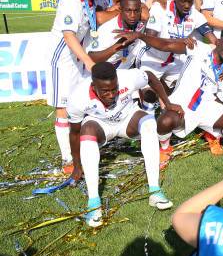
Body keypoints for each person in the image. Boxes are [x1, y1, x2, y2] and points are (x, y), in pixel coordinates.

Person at [67, 62, 183, 227]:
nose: (111, 94)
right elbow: (74, 133)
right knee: (86, 131)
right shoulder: (78, 96)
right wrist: (77, 166)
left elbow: (149, 76)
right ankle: (94, 204)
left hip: (128, 119)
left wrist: (168, 103)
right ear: (94, 86)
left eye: (114, 89)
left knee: (149, 122)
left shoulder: (128, 77)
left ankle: (155, 191)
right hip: (101, 125)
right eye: (105, 91)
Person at [131, 28, 223, 156]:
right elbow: (165, 45)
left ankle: (212, 133)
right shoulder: (199, 48)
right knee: (165, 122)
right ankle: (165, 149)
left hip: (206, 107)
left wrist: (217, 118)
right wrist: (139, 35)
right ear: (218, 41)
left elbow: (221, 99)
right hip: (182, 102)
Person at [47, 0, 109, 176]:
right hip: (63, 58)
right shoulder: (71, 1)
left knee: (80, 103)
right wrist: (90, 63)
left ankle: (83, 145)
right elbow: (69, 36)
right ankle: (67, 158)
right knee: (63, 107)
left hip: (80, 57)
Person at [137, 0, 214, 101]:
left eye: (190, 1)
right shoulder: (160, 8)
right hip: (153, 59)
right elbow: (150, 39)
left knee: (184, 93)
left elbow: (213, 39)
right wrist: (179, 41)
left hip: (175, 61)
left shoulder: (194, 14)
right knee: (149, 97)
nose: (187, 5)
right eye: (183, 1)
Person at [87, 0, 147, 69]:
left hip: (128, 68)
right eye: (128, 11)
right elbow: (91, 57)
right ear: (120, 10)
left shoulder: (140, 23)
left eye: (136, 11)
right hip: (107, 71)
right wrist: (118, 45)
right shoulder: (108, 29)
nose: (133, 15)